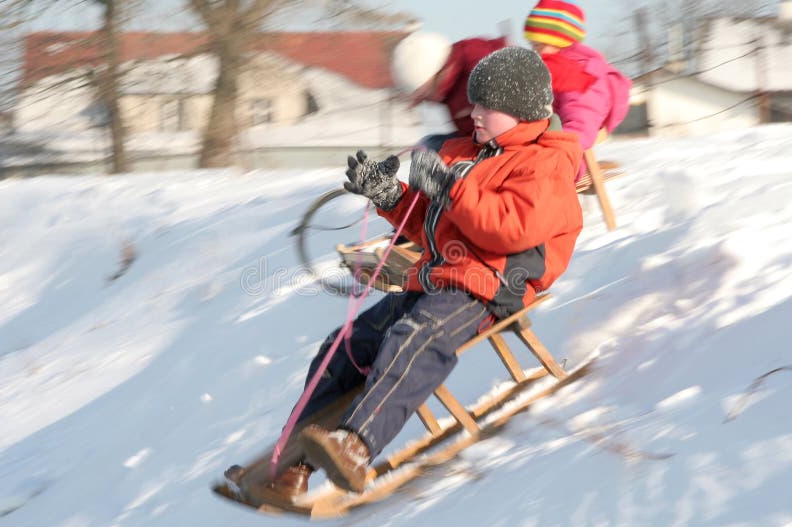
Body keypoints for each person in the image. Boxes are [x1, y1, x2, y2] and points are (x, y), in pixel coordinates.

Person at [260, 47, 584, 500]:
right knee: (345, 344)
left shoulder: (544, 164)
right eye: (474, 102)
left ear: (521, 110)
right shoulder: (465, 153)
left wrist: (450, 189)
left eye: (486, 106)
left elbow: (509, 229)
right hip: (439, 275)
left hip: (489, 284)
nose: (474, 112)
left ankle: (355, 445)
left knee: (415, 337)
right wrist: (391, 194)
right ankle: (291, 460)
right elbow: (431, 223)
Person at [524, 0, 632, 180]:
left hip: (562, 159)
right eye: (533, 47)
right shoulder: (554, 70)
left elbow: (580, 126)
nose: (536, 54)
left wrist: (556, 157)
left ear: (559, 41)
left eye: (539, 46)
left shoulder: (579, 76)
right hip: (540, 149)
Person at [391, 31, 508, 151]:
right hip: (479, 142)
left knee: (430, 149)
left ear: (431, 76)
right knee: (427, 146)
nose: (426, 102)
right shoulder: (451, 86)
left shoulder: (479, 70)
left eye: (423, 95)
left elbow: (502, 128)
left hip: (501, 146)